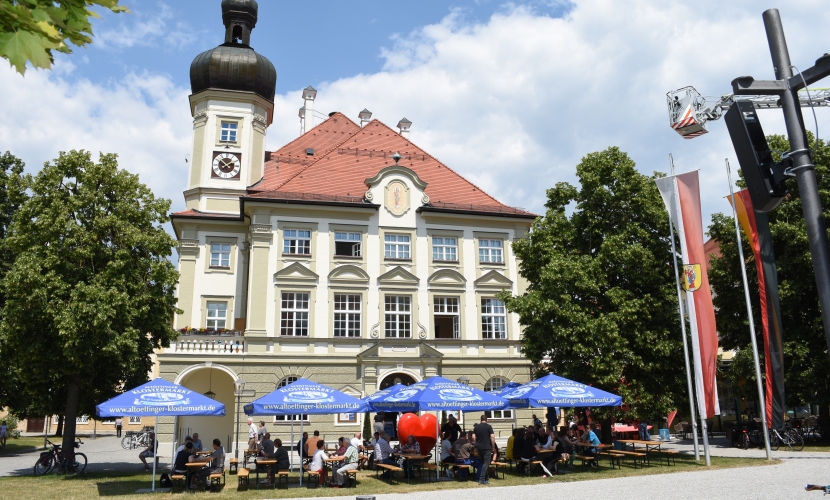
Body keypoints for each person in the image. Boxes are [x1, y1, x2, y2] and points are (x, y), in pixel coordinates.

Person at [474, 415, 496, 485]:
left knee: (483, 463)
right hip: (487, 447)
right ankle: (482, 478)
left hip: (479, 447)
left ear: (480, 420)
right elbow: (492, 436)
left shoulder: (476, 427)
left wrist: (476, 443)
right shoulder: (489, 427)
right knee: (486, 463)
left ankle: (486, 477)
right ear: (487, 420)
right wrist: (493, 446)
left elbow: (473, 436)